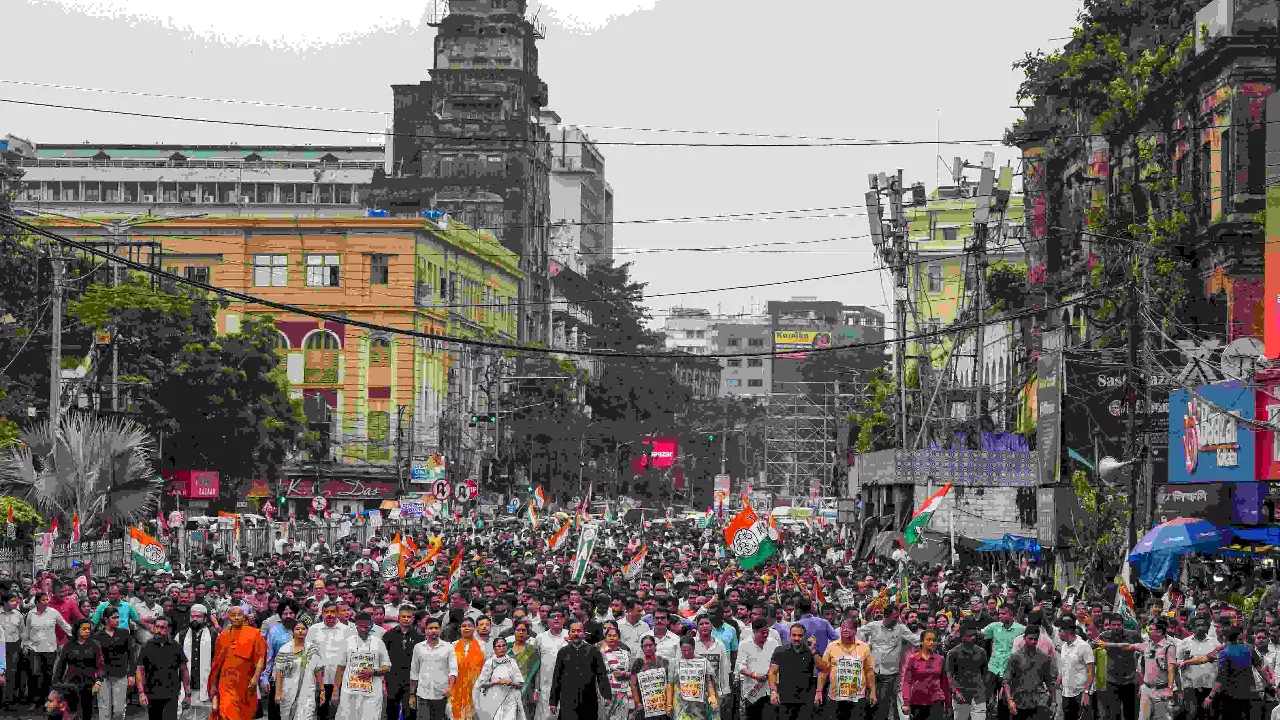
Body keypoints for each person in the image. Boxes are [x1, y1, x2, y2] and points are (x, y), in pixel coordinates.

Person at [208, 605, 268, 720]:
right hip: (226, 683)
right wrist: (214, 684)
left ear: (244, 617)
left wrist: (256, 677)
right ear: (228, 618)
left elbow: (261, 656)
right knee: (227, 712)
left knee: (244, 715)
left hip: (245, 683)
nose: (236, 618)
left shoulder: (254, 634)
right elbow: (216, 663)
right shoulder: (222, 636)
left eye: (239, 615)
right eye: (233, 615)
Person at [333, 611, 391, 720]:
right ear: (356, 626)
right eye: (361, 627)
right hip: (350, 692)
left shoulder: (378, 643)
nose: (364, 630)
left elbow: (387, 667)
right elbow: (340, 668)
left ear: (371, 626)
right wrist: (335, 691)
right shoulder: (347, 642)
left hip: (372, 693)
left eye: (367, 627)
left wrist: (373, 672)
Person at [548, 621, 610, 720]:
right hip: (567, 699)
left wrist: (606, 695)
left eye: (579, 631)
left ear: (584, 633)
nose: (576, 634)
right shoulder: (563, 652)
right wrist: (553, 702)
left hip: (588, 698)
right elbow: (557, 677)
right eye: (573, 631)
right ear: (569, 634)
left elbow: (601, 674)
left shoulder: (593, 651)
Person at [820, 617, 875, 720]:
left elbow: (869, 671)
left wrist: (872, 692)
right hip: (836, 697)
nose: (845, 630)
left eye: (849, 627)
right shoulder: (831, 646)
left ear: (855, 630)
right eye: (843, 627)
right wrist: (819, 692)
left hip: (857, 697)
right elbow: (824, 671)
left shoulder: (864, 647)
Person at [136, 616, 189, 720]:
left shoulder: (176, 646)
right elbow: (140, 670)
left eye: (162, 627)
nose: (158, 630)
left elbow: (184, 670)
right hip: (152, 693)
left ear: (169, 629)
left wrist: (187, 693)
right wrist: (141, 693)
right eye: (157, 627)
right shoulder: (146, 646)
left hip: (171, 693)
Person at [1001, 625, 1053, 720]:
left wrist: (1052, 700)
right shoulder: (1015, 657)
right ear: (1024, 638)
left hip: (1039, 701)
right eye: (1030, 639)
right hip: (1020, 702)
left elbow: (1049, 681)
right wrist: (1009, 700)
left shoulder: (1044, 658)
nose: (1033, 641)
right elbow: (1006, 681)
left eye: (1035, 639)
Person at [410, 617, 458, 720]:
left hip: (441, 694)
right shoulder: (418, 648)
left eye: (436, 628)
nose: (433, 630)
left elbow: (453, 670)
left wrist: (450, 688)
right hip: (422, 694)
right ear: (425, 630)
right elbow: (414, 672)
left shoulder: (448, 647)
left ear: (440, 630)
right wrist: (411, 694)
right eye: (430, 628)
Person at [51, 620, 99, 720]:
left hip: (89, 681)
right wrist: (56, 683)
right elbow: (61, 665)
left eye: (89, 629)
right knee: (71, 710)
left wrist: (98, 681)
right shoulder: (69, 645)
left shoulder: (94, 645)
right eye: (84, 629)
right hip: (72, 682)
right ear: (77, 630)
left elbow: (99, 664)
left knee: (87, 709)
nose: (87, 631)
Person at [769, 624, 818, 720]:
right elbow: (772, 672)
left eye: (800, 636)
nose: (797, 638)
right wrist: (773, 691)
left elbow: (822, 669)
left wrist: (813, 652)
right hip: (785, 698)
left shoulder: (811, 652)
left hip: (806, 699)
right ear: (789, 635)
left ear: (804, 637)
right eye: (794, 635)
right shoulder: (780, 651)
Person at [384, 604, 425, 720]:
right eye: (404, 616)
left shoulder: (419, 637)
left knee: (410, 710)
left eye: (409, 617)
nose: (406, 619)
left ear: (413, 619)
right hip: (393, 677)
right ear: (398, 618)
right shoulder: (389, 635)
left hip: (411, 678)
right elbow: (384, 658)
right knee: (391, 708)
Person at [273, 619, 319, 720]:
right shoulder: (284, 649)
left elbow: (318, 670)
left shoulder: (312, 649)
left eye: (303, 629)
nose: (300, 631)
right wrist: (278, 692)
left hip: (307, 691)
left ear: (307, 631)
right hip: (288, 690)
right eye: (297, 629)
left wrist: (322, 690)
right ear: (292, 631)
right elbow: (279, 672)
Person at [177, 603, 217, 720]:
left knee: (204, 715)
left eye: (198, 616)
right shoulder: (181, 635)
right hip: (186, 685)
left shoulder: (214, 635)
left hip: (206, 685)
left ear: (205, 618)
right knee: (184, 715)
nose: (195, 619)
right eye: (192, 616)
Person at [473, 636, 526, 720]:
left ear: (507, 647)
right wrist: (495, 682)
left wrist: (510, 683)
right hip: (494, 700)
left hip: (511, 699)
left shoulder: (512, 662)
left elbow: (520, 684)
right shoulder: (489, 663)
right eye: (499, 646)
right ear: (494, 649)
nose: (501, 648)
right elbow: (481, 684)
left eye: (503, 645)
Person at [94, 606, 133, 720]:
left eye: (118, 617)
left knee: (119, 710)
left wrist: (131, 674)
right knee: (104, 708)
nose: (117, 620)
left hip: (120, 674)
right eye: (114, 617)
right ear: (106, 619)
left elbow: (131, 654)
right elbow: (94, 657)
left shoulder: (124, 633)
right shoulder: (97, 636)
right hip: (103, 676)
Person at [901, 629, 948, 720]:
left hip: (936, 700)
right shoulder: (913, 659)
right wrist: (906, 702)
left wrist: (948, 705)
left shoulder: (940, 659)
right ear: (922, 641)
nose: (931, 642)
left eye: (933, 640)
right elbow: (907, 681)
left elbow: (944, 683)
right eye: (928, 639)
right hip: (917, 701)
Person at [945, 623, 988, 720]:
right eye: (969, 636)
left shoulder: (982, 652)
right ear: (962, 636)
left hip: (978, 693)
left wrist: (984, 690)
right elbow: (949, 674)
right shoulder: (953, 653)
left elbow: (985, 673)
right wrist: (955, 691)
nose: (972, 638)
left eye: (974, 635)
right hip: (961, 693)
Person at [533, 609, 569, 720]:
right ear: (548, 620)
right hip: (546, 685)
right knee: (546, 716)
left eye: (559, 616)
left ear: (564, 619)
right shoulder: (540, 638)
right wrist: (536, 688)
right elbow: (536, 666)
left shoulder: (571, 635)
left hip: (568, 684)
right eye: (553, 616)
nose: (557, 618)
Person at [672, 635, 719, 720]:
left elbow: (710, 682)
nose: (686, 653)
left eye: (689, 650)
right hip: (681, 703)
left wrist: (712, 698)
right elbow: (673, 683)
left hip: (699, 705)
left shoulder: (703, 662)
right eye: (683, 651)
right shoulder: (676, 663)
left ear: (693, 648)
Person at [452, 617, 487, 720]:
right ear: (460, 628)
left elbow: (487, 668)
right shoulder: (453, 646)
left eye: (470, 626)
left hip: (476, 688)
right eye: (464, 626)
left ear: (475, 628)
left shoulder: (482, 646)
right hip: (456, 688)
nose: (466, 628)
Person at [631, 635, 673, 720]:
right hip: (644, 707)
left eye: (650, 645)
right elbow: (633, 684)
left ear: (655, 646)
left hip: (662, 706)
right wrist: (638, 702)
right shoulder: (638, 664)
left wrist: (669, 703)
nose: (648, 648)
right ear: (642, 648)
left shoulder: (664, 662)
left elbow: (670, 684)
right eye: (645, 646)